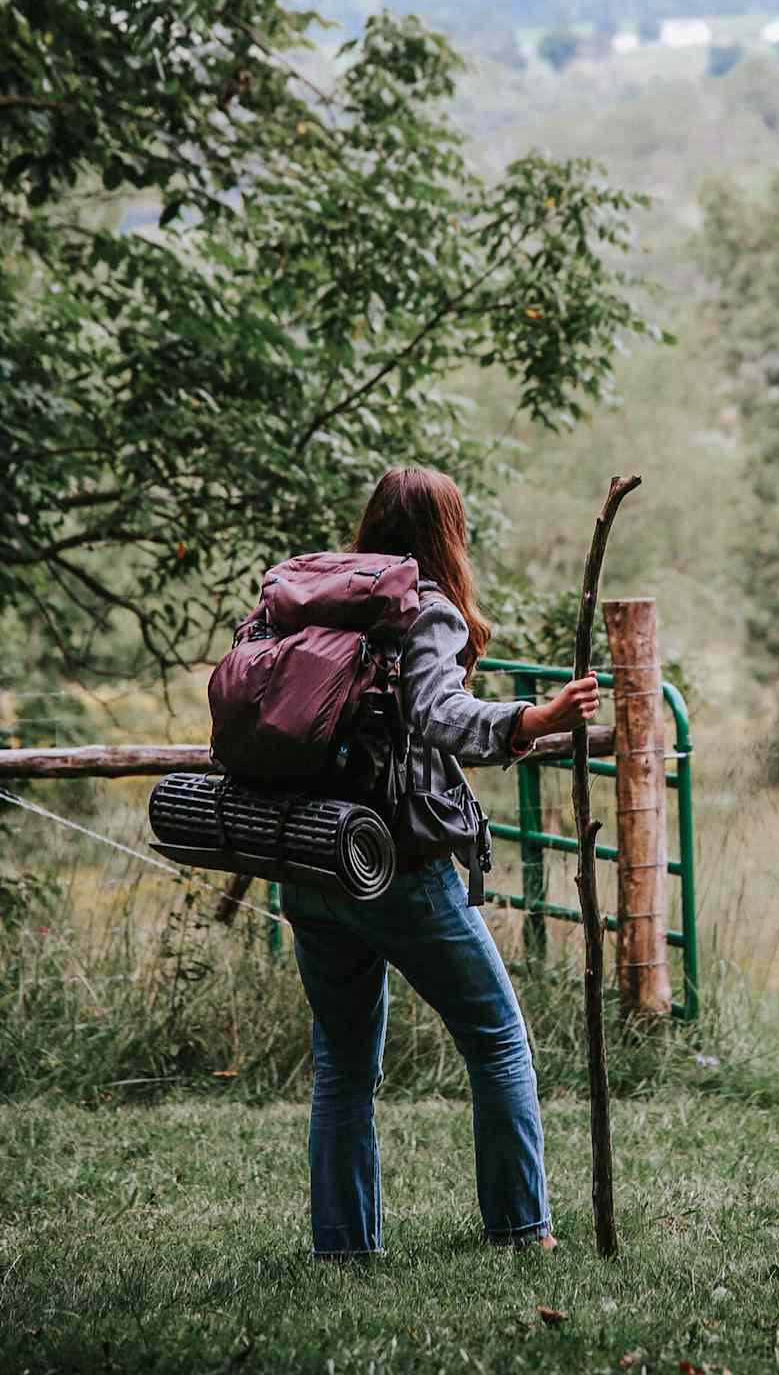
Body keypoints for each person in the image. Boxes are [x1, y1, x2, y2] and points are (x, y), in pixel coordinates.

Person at [280, 464, 599, 1261]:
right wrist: (533, 715)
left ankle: (345, 1249)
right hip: (394, 862)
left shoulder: (317, 600)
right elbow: (440, 711)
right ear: (445, 534)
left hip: (308, 855)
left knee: (343, 1066)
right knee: (496, 1036)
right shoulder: (426, 610)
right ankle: (521, 1232)